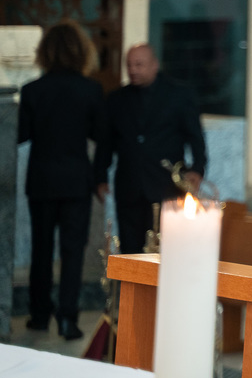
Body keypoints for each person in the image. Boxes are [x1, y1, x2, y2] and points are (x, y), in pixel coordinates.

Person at [17, 21, 106, 340]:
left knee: (41, 250)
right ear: (81, 51)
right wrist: (98, 177)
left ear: (45, 53)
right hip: (75, 183)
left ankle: (39, 316)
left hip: (41, 181)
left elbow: (21, 135)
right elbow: (100, 136)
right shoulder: (91, 90)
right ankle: (68, 319)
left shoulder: (31, 91)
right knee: (72, 252)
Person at [95, 44, 207, 254]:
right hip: (129, 187)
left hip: (166, 186)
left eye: (139, 65)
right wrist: (100, 176)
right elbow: (106, 142)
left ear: (154, 65)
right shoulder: (116, 100)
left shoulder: (179, 95)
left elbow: (195, 137)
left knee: (166, 248)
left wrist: (197, 168)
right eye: (129, 65)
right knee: (130, 250)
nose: (133, 70)